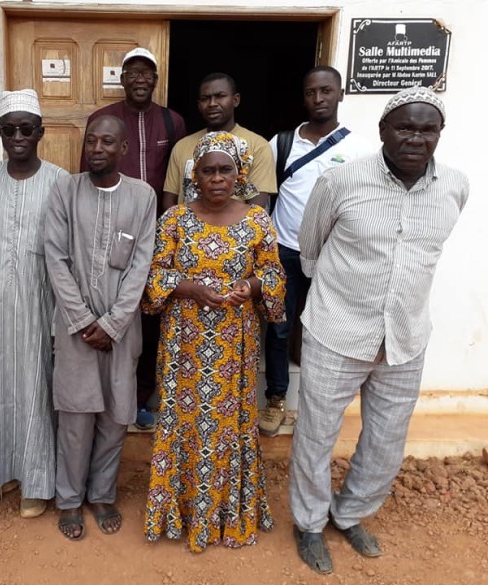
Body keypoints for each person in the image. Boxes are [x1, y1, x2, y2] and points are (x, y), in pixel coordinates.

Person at [289, 86, 469, 575]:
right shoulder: (340, 181)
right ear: (383, 130)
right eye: (405, 127)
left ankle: (349, 514)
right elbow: (309, 250)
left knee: (387, 440)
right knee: (316, 435)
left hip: (406, 338)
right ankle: (308, 523)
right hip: (336, 329)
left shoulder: (455, 186)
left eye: (426, 129)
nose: (415, 137)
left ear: (439, 134)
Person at [143, 131, 286, 552]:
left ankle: (226, 514)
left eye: (226, 170)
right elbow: (152, 278)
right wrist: (187, 287)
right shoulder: (173, 220)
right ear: (196, 176)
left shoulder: (258, 220)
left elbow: (275, 275)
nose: (218, 178)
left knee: (228, 425)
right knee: (184, 423)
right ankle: (182, 513)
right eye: (209, 170)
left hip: (232, 347)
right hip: (183, 346)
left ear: (239, 173)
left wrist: (252, 287)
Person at [45, 115, 156, 540]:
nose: (96, 148)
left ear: (123, 150)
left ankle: (102, 493)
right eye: (91, 140)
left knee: (115, 414)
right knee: (75, 415)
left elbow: (141, 264)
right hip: (75, 329)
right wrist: (85, 321)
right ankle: (70, 500)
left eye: (107, 142)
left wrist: (112, 324)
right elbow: (55, 258)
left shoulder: (142, 196)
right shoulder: (65, 191)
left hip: (122, 330)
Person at [0, 89, 67, 518]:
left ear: (40, 132)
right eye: (9, 130)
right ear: (1, 134)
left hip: (42, 308)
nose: (17, 136)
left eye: (26, 129)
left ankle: (36, 483)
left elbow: (69, 248)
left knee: (36, 390)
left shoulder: (61, 181)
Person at [260, 66, 373, 437]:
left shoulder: (358, 148)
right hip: (284, 250)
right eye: (311, 92)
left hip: (331, 256)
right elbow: (268, 194)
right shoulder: (282, 142)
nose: (319, 98)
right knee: (278, 328)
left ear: (340, 94)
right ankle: (276, 400)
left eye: (326, 91)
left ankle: (315, 408)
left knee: (324, 333)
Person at [81, 47, 187, 431]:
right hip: (110, 234)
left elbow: (180, 178)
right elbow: (86, 180)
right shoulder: (103, 120)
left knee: (149, 319)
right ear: (122, 79)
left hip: (159, 234)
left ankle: (142, 398)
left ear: (156, 80)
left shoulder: (172, 121)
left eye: (147, 73)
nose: (140, 79)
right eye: (132, 72)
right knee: (109, 309)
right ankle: (100, 399)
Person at [163, 72, 276, 211]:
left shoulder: (258, 146)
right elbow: (169, 202)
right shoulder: (181, 147)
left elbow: (256, 208)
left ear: (236, 100)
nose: (212, 104)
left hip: (236, 231)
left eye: (220, 96)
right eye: (206, 98)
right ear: (199, 105)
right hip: (187, 231)